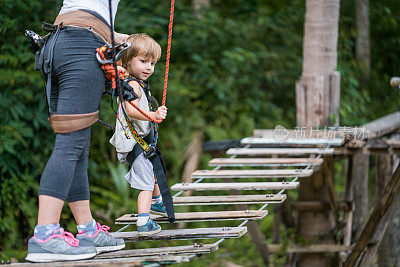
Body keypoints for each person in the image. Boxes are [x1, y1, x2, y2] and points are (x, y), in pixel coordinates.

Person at [26, 0, 126, 263]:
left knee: (76, 145)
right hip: (82, 45)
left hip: (63, 42)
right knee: (70, 146)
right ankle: (45, 235)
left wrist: (126, 39)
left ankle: (87, 229)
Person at [110, 33, 169, 236]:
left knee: (151, 172)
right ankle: (144, 222)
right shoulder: (133, 84)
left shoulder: (134, 82)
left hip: (139, 141)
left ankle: (158, 203)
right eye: (143, 61)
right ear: (127, 60)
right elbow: (129, 108)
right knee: (145, 182)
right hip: (135, 143)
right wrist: (152, 115)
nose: (149, 67)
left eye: (152, 63)